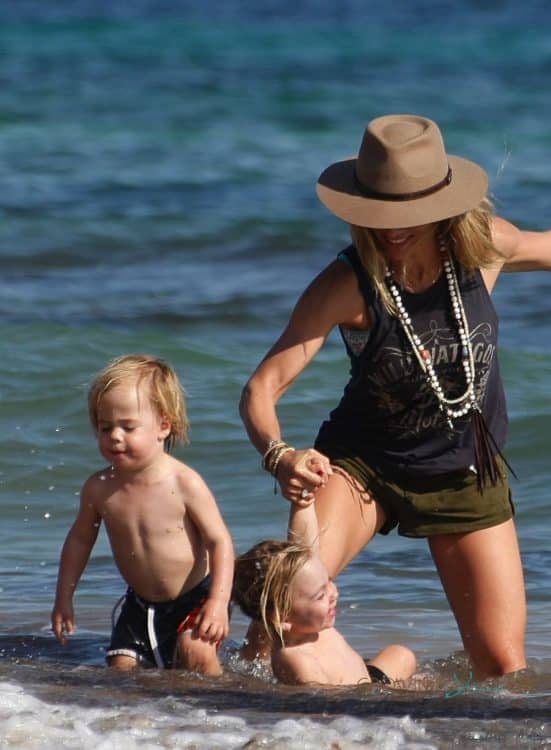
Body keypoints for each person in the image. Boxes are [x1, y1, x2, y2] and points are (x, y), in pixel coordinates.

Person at [239, 114, 551, 679]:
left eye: (408, 213)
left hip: (464, 470)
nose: (394, 228)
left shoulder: (482, 248)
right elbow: (261, 389)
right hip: (365, 466)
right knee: (281, 611)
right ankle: (232, 717)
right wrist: (278, 454)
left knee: (504, 670)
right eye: (381, 213)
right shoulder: (347, 284)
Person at [51, 354, 234, 675]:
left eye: (128, 427)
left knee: (196, 654)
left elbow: (220, 543)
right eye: (105, 427)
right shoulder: (99, 488)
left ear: (164, 426)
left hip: (196, 599)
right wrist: (64, 598)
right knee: (120, 670)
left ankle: (218, 718)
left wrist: (218, 604)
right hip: (140, 605)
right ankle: (140, 723)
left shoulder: (183, 482)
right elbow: (80, 540)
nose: (115, 436)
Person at [233, 499, 416, 686]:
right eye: (320, 595)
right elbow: (325, 706)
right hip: (351, 700)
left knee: (401, 654)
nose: (333, 593)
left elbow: (307, 545)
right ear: (283, 618)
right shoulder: (295, 658)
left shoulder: (312, 625)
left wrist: (304, 501)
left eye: (328, 582)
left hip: (366, 681)